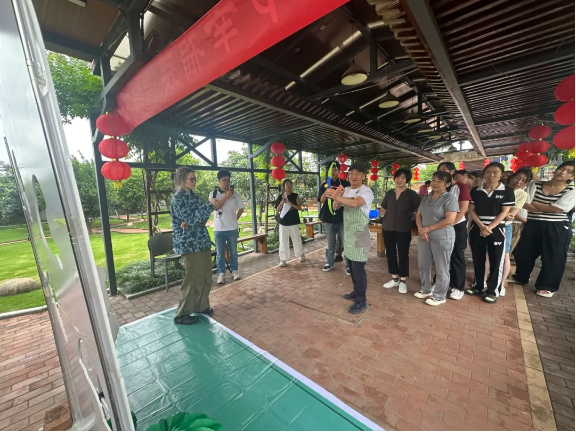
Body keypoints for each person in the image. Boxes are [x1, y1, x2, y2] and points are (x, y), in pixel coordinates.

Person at [171, 168, 229, 325]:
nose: (194, 181)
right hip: (189, 244)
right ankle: (182, 313)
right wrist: (208, 206)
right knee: (192, 279)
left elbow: (200, 219)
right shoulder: (178, 198)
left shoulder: (194, 196)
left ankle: (201, 305)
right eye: (191, 179)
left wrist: (195, 218)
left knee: (205, 276)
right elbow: (192, 218)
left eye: (194, 178)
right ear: (182, 179)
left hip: (201, 240)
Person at [513, 161, 575, 297]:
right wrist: (549, 207)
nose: (563, 172)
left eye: (569, 171)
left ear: (572, 177)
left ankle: (547, 286)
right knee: (523, 252)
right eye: (562, 168)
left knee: (553, 256)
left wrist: (535, 203)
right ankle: (521, 276)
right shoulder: (535, 184)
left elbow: (559, 209)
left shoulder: (572, 190)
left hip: (557, 226)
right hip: (533, 223)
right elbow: (524, 203)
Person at [326, 163, 374, 314]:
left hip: (359, 236)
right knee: (352, 268)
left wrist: (338, 197)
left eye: (357, 173)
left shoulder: (366, 191)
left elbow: (355, 203)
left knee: (358, 270)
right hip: (348, 235)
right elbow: (335, 207)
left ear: (363, 176)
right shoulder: (346, 190)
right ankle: (356, 292)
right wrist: (337, 196)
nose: (353, 176)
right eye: (351, 173)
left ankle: (361, 300)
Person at [466, 162, 515, 304]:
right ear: (484, 174)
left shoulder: (507, 191)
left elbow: (505, 212)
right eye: (488, 172)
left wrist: (489, 227)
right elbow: (471, 210)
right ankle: (478, 286)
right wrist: (481, 226)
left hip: (497, 229)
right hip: (477, 228)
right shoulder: (475, 190)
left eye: (495, 172)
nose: (491, 175)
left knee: (496, 260)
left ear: (501, 175)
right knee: (478, 258)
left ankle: (493, 290)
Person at [414, 171, 459, 306]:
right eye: (433, 180)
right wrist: (421, 229)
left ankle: (439, 296)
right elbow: (418, 215)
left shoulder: (449, 198)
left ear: (447, 184)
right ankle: (426, 289)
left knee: (441, 267)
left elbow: (450, 219)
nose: (435, 183)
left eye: (440, 181)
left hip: (442, 237)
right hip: (424, 236)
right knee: (423, 264)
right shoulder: (426, 198)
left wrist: (427, 229)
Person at [380, 168, 421, 293]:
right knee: (390, 253)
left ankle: (403, 281)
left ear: (406, 180)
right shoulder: (389, 193)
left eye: (402, 178)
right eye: (397, 177)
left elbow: (419, 209)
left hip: (403, 228)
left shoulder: (411, 194)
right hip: (387, 228)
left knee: (403, 254)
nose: (399, 180)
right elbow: (383, 207)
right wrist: (382, 211)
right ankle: (394, 278)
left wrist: (413, 218)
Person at [437, 162, 471, 300]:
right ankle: (439, 283)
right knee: (441, 256)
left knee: (457, 255)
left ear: (452, 171)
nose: (442, 171)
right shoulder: (439, 188)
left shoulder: (461, 187)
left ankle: (458, 287)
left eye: (445, 169)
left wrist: (451, 223)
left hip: (457, 225)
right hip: (441, 225)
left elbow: (463, 209)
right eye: (440, 170)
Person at [498, 167, 531, 295]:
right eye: (517, 178)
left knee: (505, 254)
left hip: (505, 226)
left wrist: (502, 213)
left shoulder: (522, 194)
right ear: (512, 177)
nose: (519, 182)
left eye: (523, 180)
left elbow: (511, 214)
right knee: (487, 254)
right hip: (489, 225)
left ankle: (502, 282)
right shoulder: (499, 188)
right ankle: (483, 279)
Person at [210, 170, 245, 284]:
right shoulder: (213, 194)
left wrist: (235, 219)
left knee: (233, 252)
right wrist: (226, 196)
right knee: (220, 254)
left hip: (232, 229)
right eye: (224, 180)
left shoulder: (235, 194)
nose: (226, 182)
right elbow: (216, 207)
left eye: (228, 180)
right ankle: (221, 273)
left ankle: (234, 271)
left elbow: (241, 208)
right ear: (219, 181)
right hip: (219, 229)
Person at [318, 162, 350, 271]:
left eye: (335, 170)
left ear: (339, 171)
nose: (333, 172)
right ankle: (329, 262)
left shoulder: (345, 184)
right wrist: (326, 192)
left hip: (342, 217)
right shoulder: (324, 185)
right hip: (328, 217)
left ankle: (349, 265)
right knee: (330, 242)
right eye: (331, 170)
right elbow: (321, 200)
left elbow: (349, 199)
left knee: (345, 241)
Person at [275, 179, 305, 267]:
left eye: (290, 184)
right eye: (287, 184)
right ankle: (283, 259)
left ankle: (300, 254)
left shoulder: (295, 196)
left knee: (296, 239)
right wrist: (282, 203)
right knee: (283, 241)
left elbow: (299, 207)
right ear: (284, 186)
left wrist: (291, 203)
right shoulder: (280, 197)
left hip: (293, 221)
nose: (289, 186)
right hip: (283, 222)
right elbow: (277, 209)